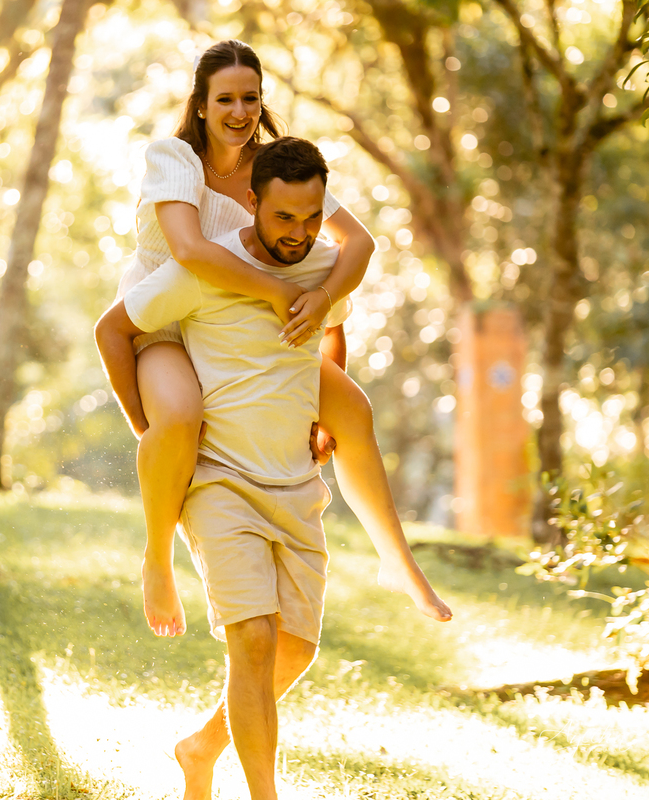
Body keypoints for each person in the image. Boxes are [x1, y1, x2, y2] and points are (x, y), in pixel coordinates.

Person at [119, 39, 451, 639]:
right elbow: (191, 252)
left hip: (241, 328)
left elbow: (358, 244)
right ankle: (157, 561)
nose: (240, 112)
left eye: (251, 97)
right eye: (226, 99)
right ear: (200, 104)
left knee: (354, 409)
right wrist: (277, 295)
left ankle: (397, 562)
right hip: (166, 321)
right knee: (182, 416)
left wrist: (319, 302)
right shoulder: (174, 158)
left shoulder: (275, 170)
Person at [98, 137, 379, 800]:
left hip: (287, 474)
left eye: (311, 219)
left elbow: (341, 294)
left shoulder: (312, 247)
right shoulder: (197, 236)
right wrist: (151, 431)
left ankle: (200, 748)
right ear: (253, 203)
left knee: (293, 649)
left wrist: (319, 404)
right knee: (251, 639)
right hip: (210, 447)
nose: (301, 232)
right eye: (285, 218)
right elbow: (117, 327)